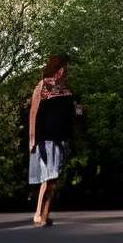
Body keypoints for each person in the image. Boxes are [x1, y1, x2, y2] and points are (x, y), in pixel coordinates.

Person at [27, 55, 82, 228]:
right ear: (54, 68)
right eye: (61, 67)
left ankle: (45, 214)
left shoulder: (66, 90)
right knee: (48, 177)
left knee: (53, 179)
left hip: (61, 140)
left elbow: (73, 113)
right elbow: (33, 113)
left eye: (64, 68)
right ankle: (38, 214)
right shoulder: (42, 85)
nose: (63, 71)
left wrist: (78, 111)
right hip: (45, 139)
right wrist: (32, 138)